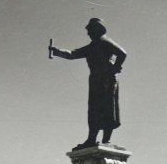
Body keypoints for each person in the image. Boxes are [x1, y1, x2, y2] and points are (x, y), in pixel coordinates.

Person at [50, 18, 127, 148]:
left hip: (107, 79)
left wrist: (115, 68)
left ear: (97, 29)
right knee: (94, 110)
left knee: (107, 108)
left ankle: (106, 140)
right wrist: (57, 52)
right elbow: (73, 54)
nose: (88, 33)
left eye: (90, 30)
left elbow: (122, 53)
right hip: (96, 80)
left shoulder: (105, 42)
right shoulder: (92, 46)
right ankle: (91, 139)